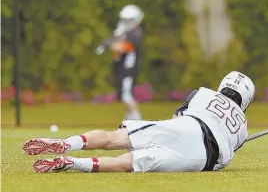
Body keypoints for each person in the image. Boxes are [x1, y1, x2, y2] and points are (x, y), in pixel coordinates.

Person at [22, 71, 255, 173]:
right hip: (201, 158)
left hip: (187, 126)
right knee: (129, 163)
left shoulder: (202, 93)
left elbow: (177, 117)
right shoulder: (242, 125)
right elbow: (233, 146)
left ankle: (68, 143)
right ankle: (73, 163)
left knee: (114, 138)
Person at [105, 5, 145, 120]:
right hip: (122, 69)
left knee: (127, 96)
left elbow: (120, 48)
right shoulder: (126, 33)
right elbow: (117, 54)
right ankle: (128, 124)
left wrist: (114, 42)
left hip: (129, 70)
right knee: (124, 96)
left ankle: (139, 122)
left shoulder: (135, 33)